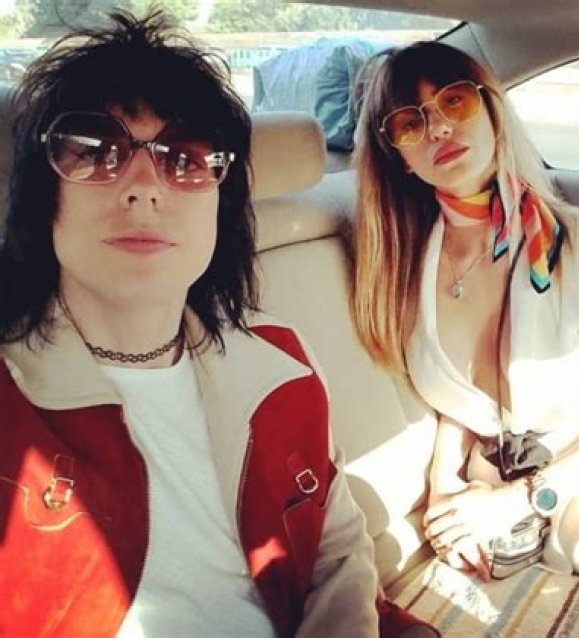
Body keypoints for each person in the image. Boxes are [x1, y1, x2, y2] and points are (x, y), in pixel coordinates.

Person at [0, 11, 434, 637]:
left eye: (185, 158)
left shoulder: (279, 358)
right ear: (46, 201)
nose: (144, 188)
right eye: (95, 153)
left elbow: (338, 548)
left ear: (218, 208)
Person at [352, 40, 579, 630]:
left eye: (455, 101)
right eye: (409, 122)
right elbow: (460, 401)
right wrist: (444, 488)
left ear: (493, 112)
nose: (438, 126)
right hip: (569, 497)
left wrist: (517, 501)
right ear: (399, 157)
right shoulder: (401, 268)